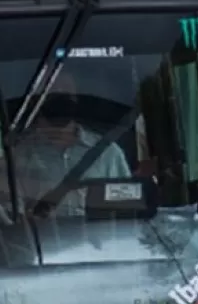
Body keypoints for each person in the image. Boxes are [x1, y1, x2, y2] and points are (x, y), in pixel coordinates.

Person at [16, 66, 133, 217]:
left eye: (66, 89)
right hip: (43, 239)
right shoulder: (19, 156)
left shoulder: (108, 153)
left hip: (98, 240)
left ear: (76, 98)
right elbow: (9, 215)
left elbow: (128, 208)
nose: (60, 95)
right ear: (36, 99)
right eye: (52, 89)